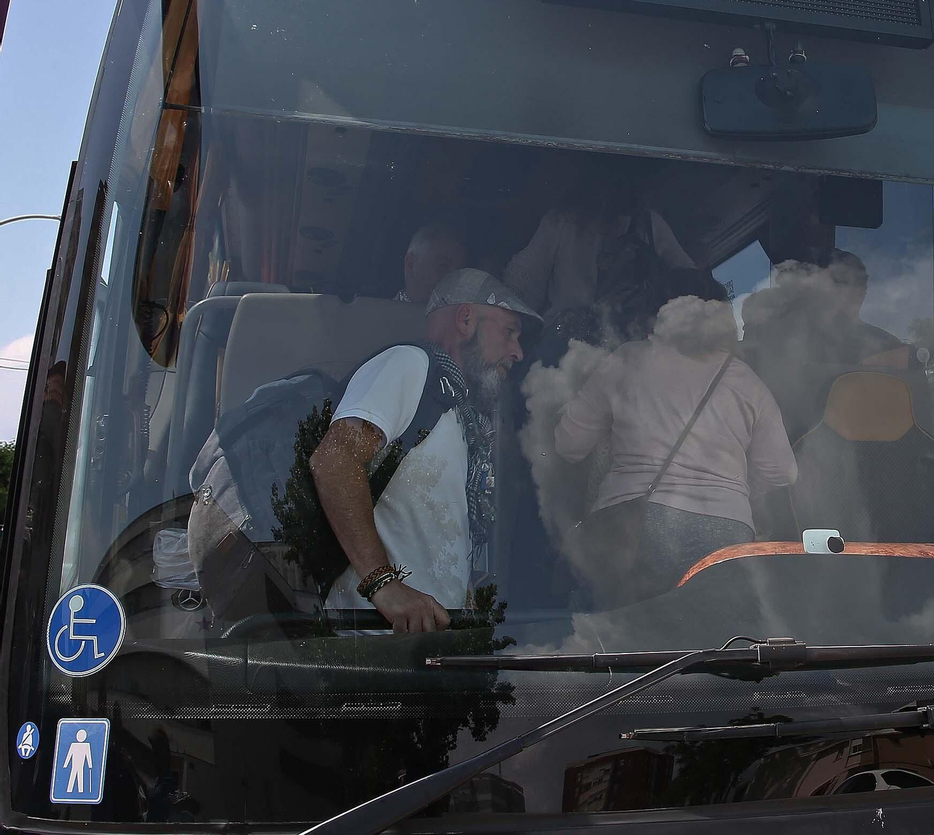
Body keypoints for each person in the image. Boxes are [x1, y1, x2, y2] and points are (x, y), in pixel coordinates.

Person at [554, 270, 797, 604]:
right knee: (716, 639)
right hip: (727, 535)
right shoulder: (747, 382)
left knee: (628, 638)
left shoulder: (627, 360)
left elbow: (568, 446)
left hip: (634, 528)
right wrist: (732, 489)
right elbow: (782, 472)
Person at [315, 269, 537, 631]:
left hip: (428, 649)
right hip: (369, 648)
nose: (518, 351)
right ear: (466, 320)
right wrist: (383, 584)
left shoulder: (462, 414)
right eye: (509, 332)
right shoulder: (409, 365)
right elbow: (335, 461)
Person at [503, 185, 695, 346]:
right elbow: (520, 289)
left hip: (629, 350)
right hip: (567, 350)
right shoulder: (562, 222)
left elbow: (693, 285)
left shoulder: (649, 225)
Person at [397, 223, 467, 305]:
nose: (455, 279)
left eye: (459, 271)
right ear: (411, 264)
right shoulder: (381, 315)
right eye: (443, 265)